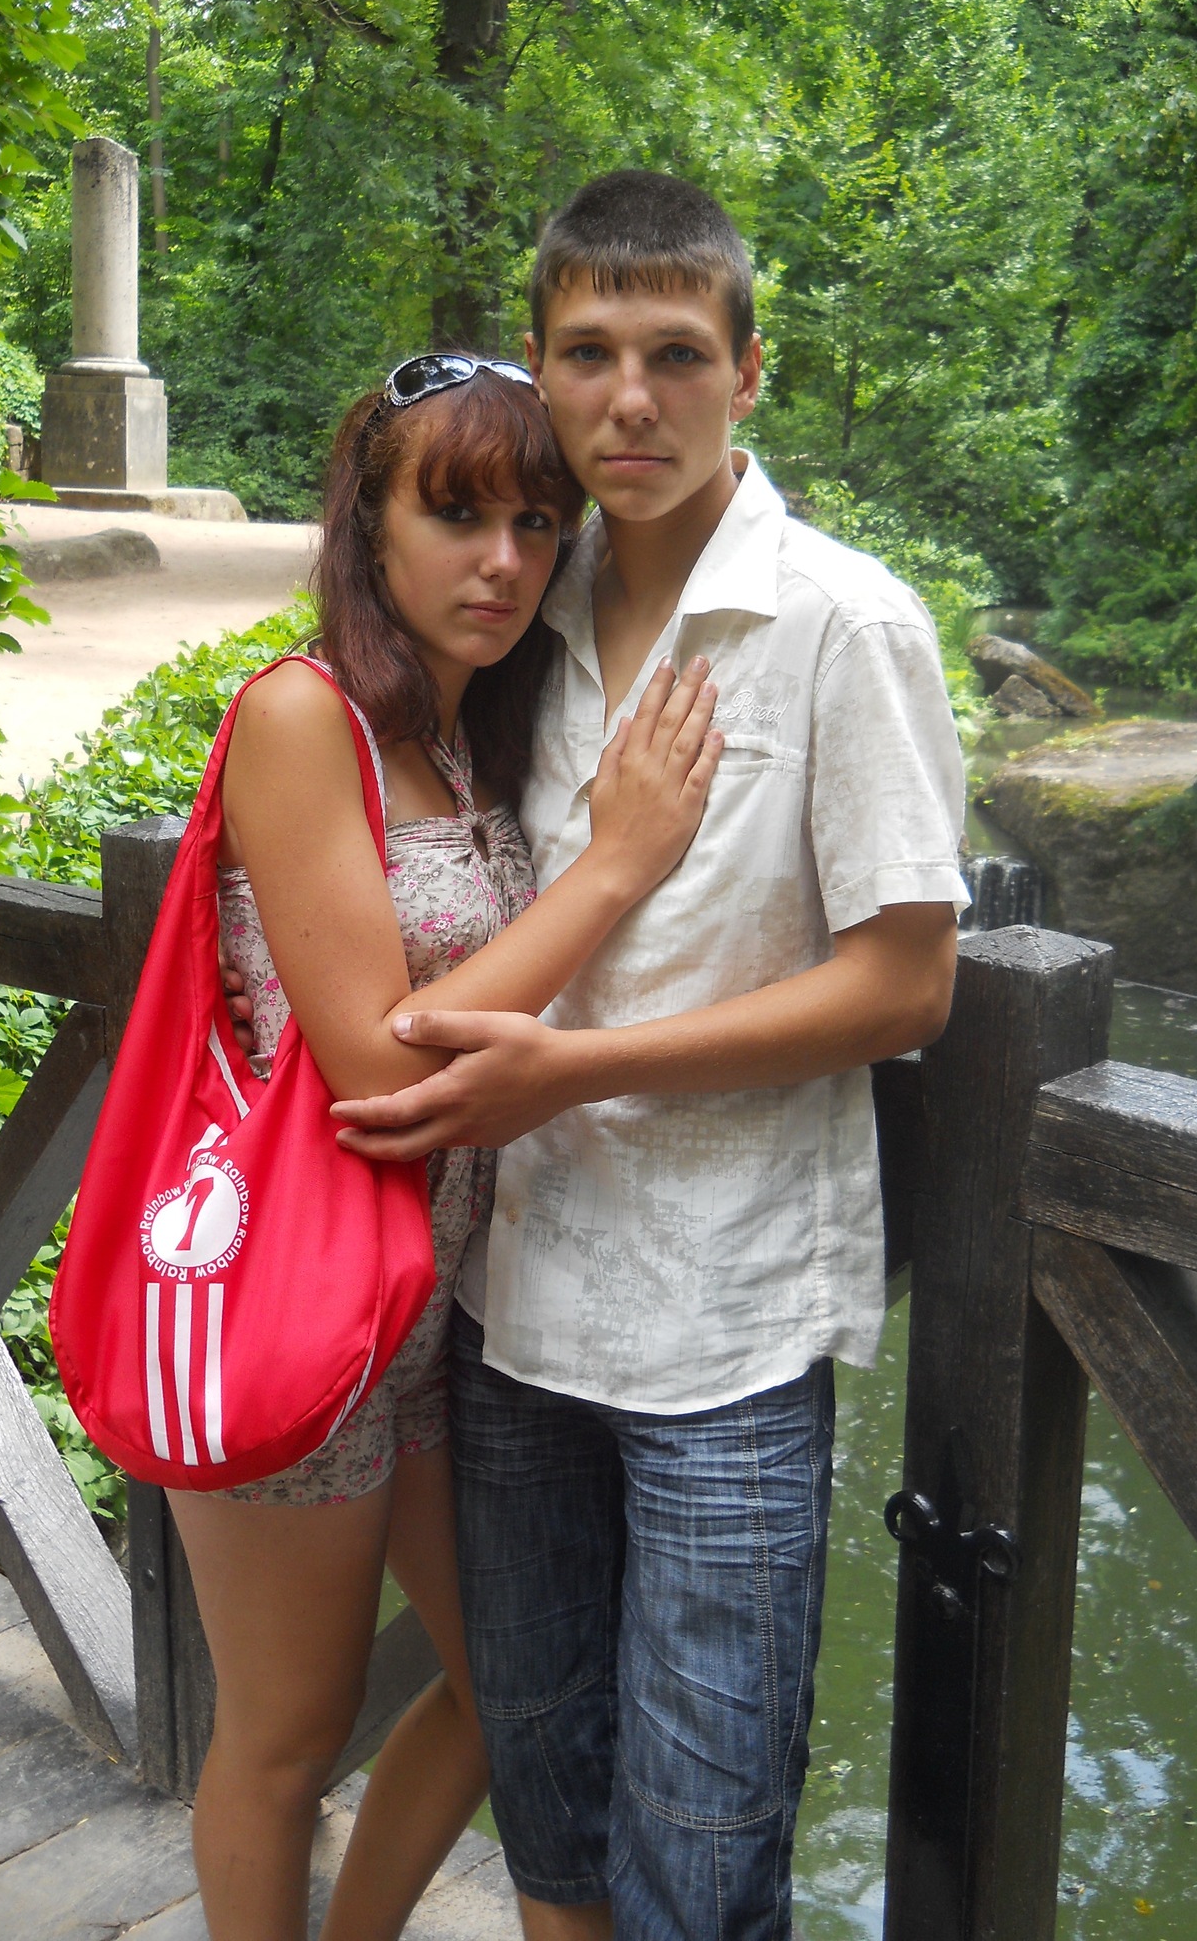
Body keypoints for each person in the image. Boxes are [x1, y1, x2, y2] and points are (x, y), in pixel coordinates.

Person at [327, 173, 970, 1940]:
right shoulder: (524, 602)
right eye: (590, 354)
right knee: (552, 1820)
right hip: (514, 1307)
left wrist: (574, 1071)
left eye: (677, 355)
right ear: (538, 366)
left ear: (748, 372)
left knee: (701, 1860)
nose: (632, 399)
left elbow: (907, 984)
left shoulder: (845, 626)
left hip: (726, 1332)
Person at [171, 351, 726, 1941]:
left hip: (431, 1320)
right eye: (457, 513)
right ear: (371, 524)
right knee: (287, 1737)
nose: (502, 560)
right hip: (297, 1307)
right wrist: (615, 865)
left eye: (537, 524)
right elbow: (375, 1065)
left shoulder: (474, 734)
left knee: (509, 1695)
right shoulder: (302, 715)